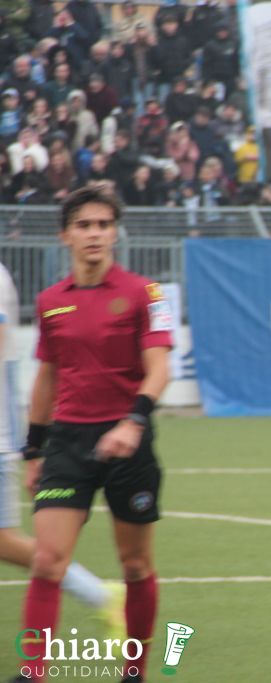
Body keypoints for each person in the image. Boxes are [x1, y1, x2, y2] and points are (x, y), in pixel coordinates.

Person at [13, 187, 172, 683]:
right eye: (84, 225)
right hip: (68, 444)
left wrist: (133, 421)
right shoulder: (50, 302)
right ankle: (33, 673)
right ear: (65, 236)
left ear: (115, 233)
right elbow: (47, 376)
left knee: (135, 565)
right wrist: (34, 449)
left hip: (129, 442)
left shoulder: (147, 293)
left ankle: (134, 672)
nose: (95, 234)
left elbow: (160, 368)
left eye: (104, 224)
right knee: (47, 562)